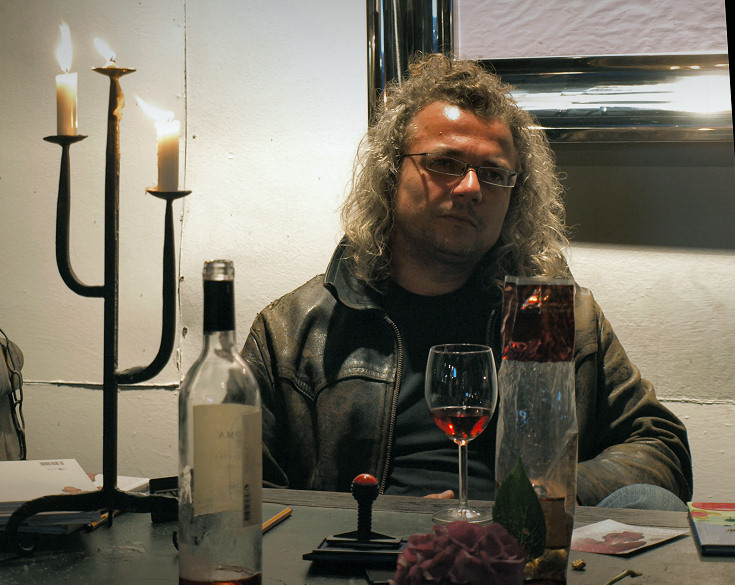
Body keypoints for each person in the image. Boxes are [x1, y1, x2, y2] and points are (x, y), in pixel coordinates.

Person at [240, 53, 692, 510]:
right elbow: (241, 493)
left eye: (493, 174)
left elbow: (661, 447)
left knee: (650, 503)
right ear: (390, 174)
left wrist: (532, 497)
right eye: (444, 163)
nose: (472, 188)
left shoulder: (553, 315)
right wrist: (386, 522)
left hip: (520, 544)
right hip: (367, 546)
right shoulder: (291, 332)